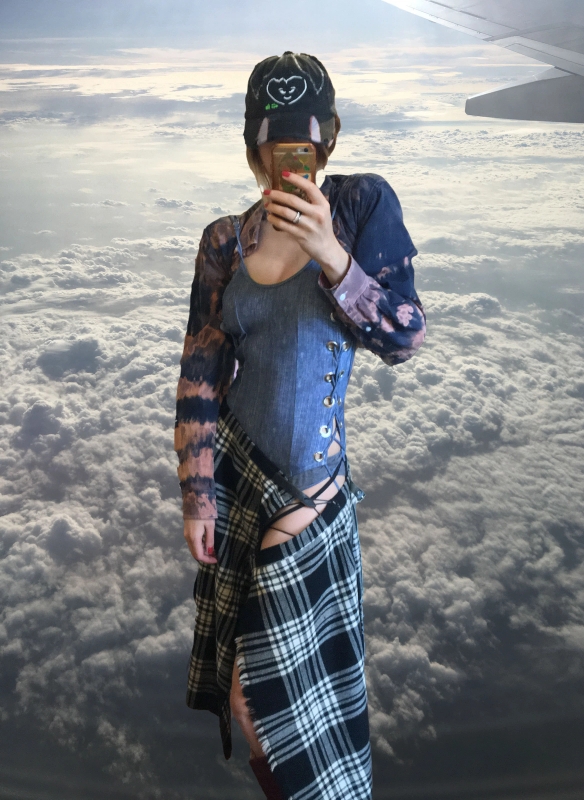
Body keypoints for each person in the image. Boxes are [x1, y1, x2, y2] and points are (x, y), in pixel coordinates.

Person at [173, 51, 426, 800]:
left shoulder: (361, 207)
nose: (288, 161)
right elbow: (200, 374)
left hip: (309, 498)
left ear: (328, 140)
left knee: (278, 712)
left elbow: (404, 338)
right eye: (273, 145)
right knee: (250, 702)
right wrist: (198, 494)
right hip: (238, 480)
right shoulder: (225, 240)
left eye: (303, 145)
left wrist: (333, 257)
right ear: (254, 148)